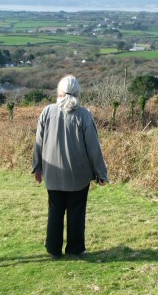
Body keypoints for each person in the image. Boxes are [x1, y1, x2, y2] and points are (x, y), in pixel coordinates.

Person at [32, 75, 109, 259]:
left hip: (53, 174)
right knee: (76, 213)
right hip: (78, 175)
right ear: (77, 93)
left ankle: (53, 250)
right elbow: (93, 147)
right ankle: (75, 249)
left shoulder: (47, 111)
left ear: (59, 92)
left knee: (55, 211)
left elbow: (38, 143)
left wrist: (37, 167)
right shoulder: (84, 114)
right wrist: (101, 172)